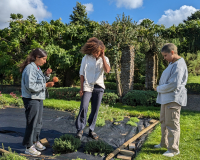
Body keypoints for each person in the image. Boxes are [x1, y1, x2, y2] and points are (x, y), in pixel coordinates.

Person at [155, 43, 188, 157]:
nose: (164, 58)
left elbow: (173, 84)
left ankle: (174, 149)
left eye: (165, 55)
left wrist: (158, 88)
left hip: (173, 98)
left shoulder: (179, 65)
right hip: (166, 99)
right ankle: (164, 143)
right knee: (164, 121)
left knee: (172, 123)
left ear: (172, 52)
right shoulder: (172, 63)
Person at [20, 48, 54, 156]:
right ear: (37, 57)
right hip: (31, 98)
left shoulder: (37, 68)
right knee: (32, 123)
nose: (45, 61)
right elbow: (31, 86)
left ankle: (35, 141)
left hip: (38, 98)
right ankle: (29, 147)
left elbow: (39, 80)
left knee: (38, 122)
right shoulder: (30, 68)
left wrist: (47, 75)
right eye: (43, 59)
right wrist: (46, 85)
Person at [75, 37, 111, 140]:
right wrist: (81, 89)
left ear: (101, 50)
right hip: (87, 86)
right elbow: (82, 74)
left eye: (97, 52)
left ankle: (91, 129)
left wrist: (103, 57)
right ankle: (80, 129)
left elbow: (107, 70)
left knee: (95, 109)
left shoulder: (105, 59)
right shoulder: (86, 58)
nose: (95, 54)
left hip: (99, 86)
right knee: (84, 106)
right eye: (94, 52)